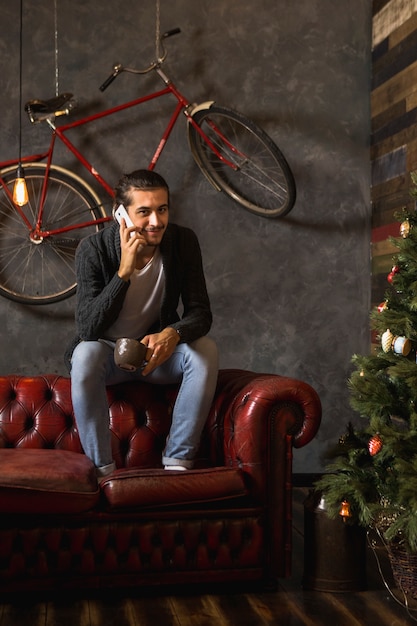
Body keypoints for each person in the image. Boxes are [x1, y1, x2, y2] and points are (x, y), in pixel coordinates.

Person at [65, 169, 218, 479]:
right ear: (119, 214)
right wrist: (123, 272)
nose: (156, 221)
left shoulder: (182, 242)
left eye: (162, 209)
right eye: (144, 211)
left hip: (156, 358)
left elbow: (201, 312)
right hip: (109, 359)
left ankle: (177, 460)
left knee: (205, 351)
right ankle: (102, 469)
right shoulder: (93, 250)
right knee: (84, 354)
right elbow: (87, 330)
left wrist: (173, 333)